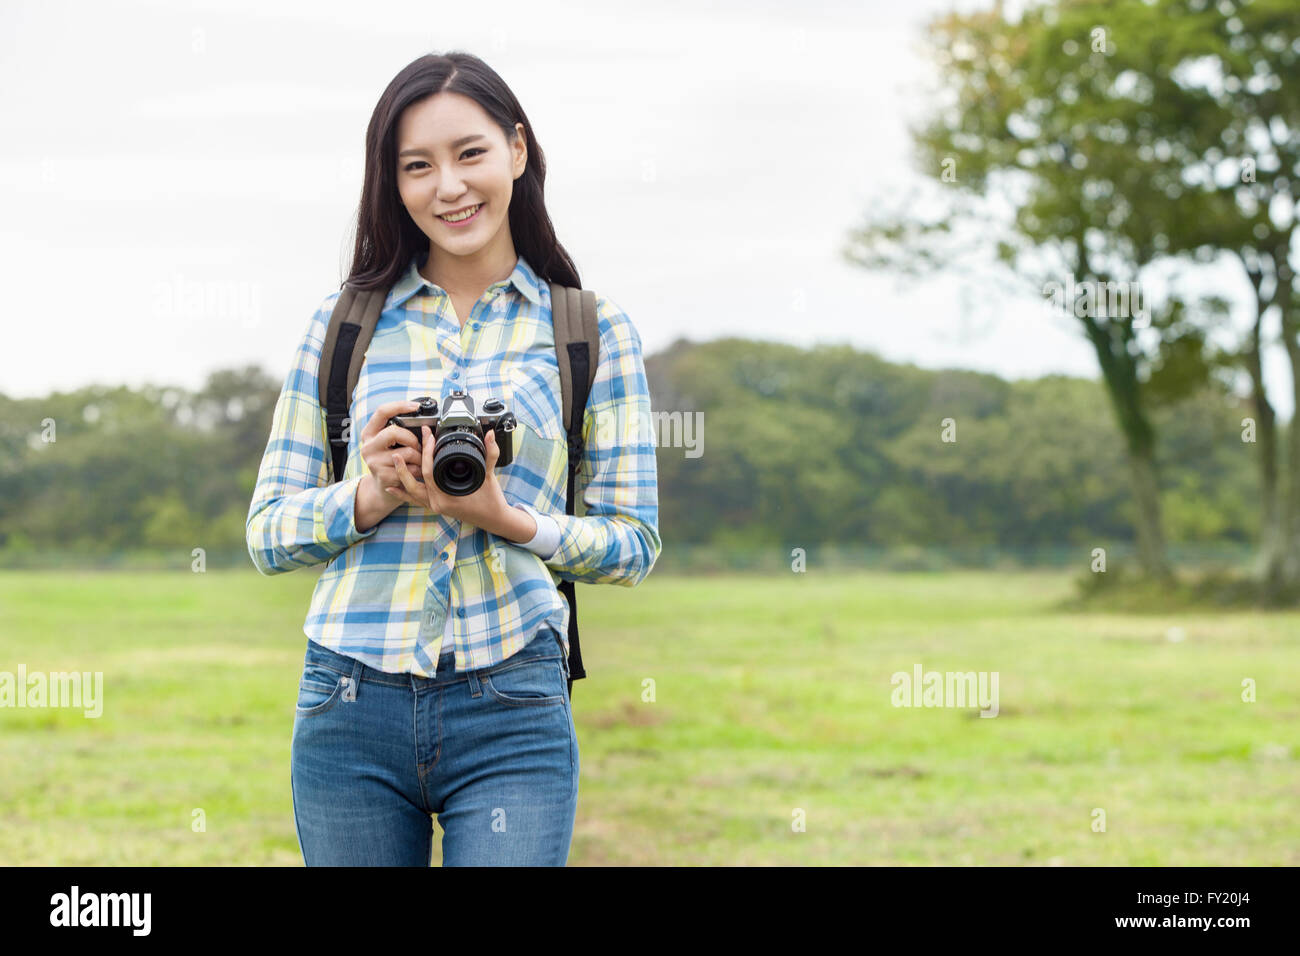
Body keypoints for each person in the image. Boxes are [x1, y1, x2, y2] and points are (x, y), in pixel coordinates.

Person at [245, 51, 662, 866]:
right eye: (416, 166)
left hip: (513, 699)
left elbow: (635, 544)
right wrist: (370, 493)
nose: (449, 187)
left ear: (517, 149)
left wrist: (512, 520)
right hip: (349, 698)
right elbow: (266, 534)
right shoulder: (343, 327)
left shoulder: (589, 330)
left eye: (469, 152)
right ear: (392, 183)